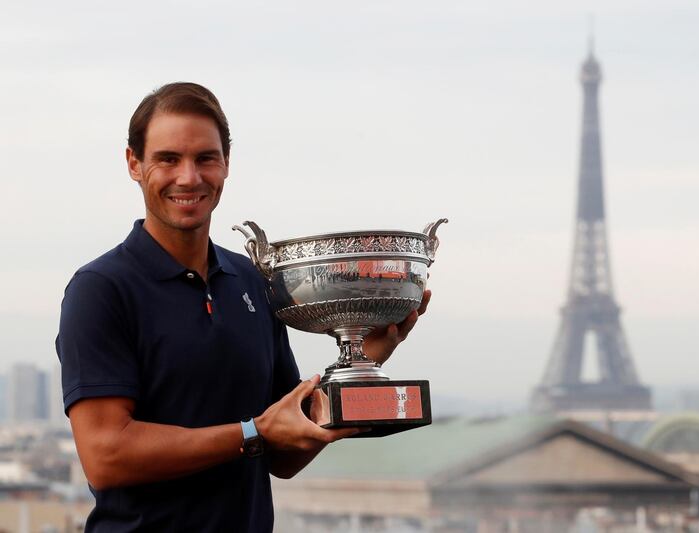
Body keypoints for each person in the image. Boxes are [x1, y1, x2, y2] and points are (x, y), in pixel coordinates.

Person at [56, 82, 430, 532]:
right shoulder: (101, 289)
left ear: (226, 165)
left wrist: (362, 360)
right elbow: (106, 457)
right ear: (134, 164)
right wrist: (252, 432)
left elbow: (283, 454)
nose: (189, 177)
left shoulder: (252, 279)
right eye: (168, 159)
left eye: (205, 158)